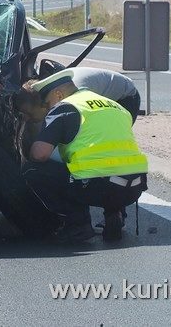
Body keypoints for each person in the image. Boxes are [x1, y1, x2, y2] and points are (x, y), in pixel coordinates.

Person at [16, 69, 148, 242]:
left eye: (48, 103)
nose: (48, 108)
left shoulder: (64, 108)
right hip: (134, 189)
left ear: (58, 94)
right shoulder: (114, 105)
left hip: (99, 188)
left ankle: (78, 224)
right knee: (107, 165)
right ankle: (114, 212)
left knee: (32, 169)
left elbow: (39, 155)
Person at [33, 64, 140, 123]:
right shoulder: (61, 86)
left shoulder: (77, 93)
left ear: (58, 95)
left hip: (126, 97)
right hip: (104, 90)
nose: (49, 110)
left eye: (48, 106)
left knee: (112, 135)